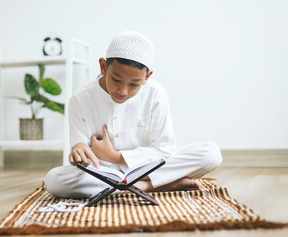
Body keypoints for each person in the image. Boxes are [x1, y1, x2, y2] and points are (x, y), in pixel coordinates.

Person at [44, 31, 222, 198]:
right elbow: (80, 148)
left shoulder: (156, 94)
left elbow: (165, 151)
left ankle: (144, 185)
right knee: (54, 180)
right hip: (104, 172)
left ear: (147, 77)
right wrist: (78, 150)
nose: (123, 91)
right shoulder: (80, 98)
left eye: (134, 84)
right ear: (103, 66)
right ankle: (158, 184)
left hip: (149, 168)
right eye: (116, 79)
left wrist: (115, 157)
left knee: (210, 154)